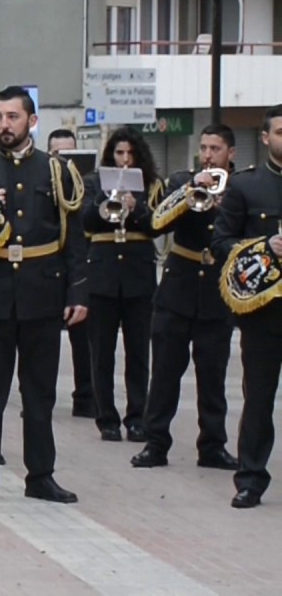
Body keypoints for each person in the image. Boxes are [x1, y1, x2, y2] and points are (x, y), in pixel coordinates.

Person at [0, 86, 87, 505]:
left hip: (41, 293)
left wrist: (78, 290)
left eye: (12, 117)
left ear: (32, 121)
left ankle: (40, 475)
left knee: (39, 392)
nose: (4, 125)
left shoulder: (56, 171)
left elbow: (74, 238)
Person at [132, 124, 239, 471]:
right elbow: (155, 224)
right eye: (204, 147)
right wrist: (193, 189)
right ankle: (155, 442)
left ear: (230, 153)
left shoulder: (240, 188)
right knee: (164, 371)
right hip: (178, 287)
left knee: (213, 374)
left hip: (216, 290)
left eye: (216, 148)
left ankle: (212, 445)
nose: (208, 155)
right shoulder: (182, 181)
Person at [212, 105, 282, 509]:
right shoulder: (246, 186)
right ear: (265, 138)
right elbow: (221, 244)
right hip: (265, 312)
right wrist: (262, 248)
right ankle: (251, 477)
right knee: (258, 397)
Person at [82, 126, 161, 443]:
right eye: (119, 153)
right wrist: (107, 198)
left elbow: (157, 225)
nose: (125, 159)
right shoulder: (93, 183)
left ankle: (137, 416)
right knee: (101, 352)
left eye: (130, 153)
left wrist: (136, 207)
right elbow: (86, 222)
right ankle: (106, 419)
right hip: (103, 274)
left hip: (138, 276)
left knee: (138, 352)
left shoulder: (152, 185)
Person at [47, 128, 94, 418]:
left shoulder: (86, 184)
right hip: (49, 269)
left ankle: (86, 397)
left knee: (84, 338)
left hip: (78, 264)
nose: (64, 161)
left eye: (70, 155)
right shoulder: (41, 179)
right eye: (58, 155)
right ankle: (38, 398)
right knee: (42, 342)